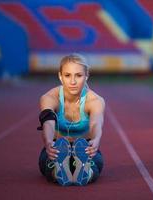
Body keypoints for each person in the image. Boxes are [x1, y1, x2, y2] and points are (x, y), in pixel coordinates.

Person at [38, 53, 105, 186]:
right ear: (60, 76)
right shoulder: (49, 98)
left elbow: (95, 124)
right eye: (67, 75)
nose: (73, 81)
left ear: (86, 76)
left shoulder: (95, 101)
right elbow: (48, 123)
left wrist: (96, 139)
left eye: (78, 75)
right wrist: (48, 142)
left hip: (85, 149)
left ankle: (86, 171)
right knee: (48, 161)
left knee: (95, 162)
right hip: (57, 147)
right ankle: (58, 170)